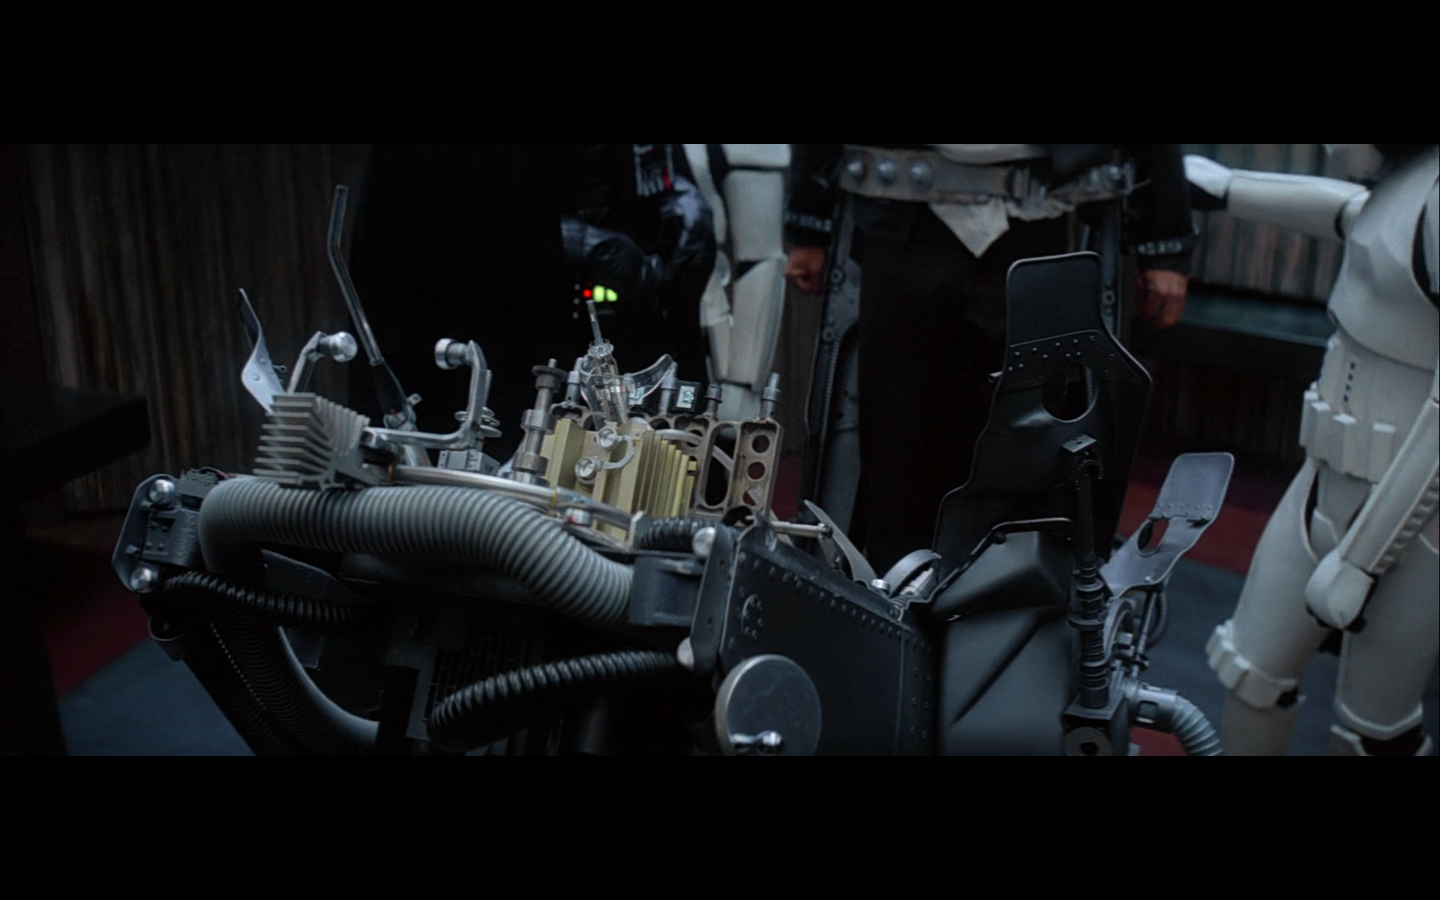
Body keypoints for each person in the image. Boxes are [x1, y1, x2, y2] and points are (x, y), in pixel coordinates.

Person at [783, 144, 1194, 571]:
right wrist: (808, 224)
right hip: (901, 219)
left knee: (1027, 443)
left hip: (1039, 224)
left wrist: (1164, 243)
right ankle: (895, 589)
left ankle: (1007, 593)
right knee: (898, 440)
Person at [1196, 144, 1439, 755]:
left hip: (1416, 525)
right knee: (1249, 673)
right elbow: (1354, 215)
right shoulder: (1408, 176)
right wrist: (1227, 188)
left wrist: (1363, 561)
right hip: (1323, 479)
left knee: (1372, 732)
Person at [347, 144, 715, 461]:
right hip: (502, 323)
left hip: (630, 314)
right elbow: (439, 208)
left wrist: (684, 199)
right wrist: (574, 242)